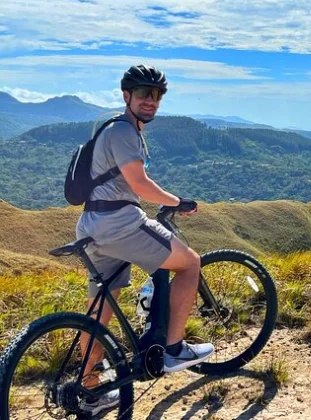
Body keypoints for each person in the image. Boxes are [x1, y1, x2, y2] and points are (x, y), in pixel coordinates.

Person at [75, 65, 213, 414]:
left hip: (91, 226)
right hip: (120, 223)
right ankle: (174, 350)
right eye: (143, 93)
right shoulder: (123, 131)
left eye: (156, 95)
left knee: (99, 311)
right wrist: (176, 202)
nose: (150, 100)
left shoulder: (113, 128)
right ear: (127, 96)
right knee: (190, 263)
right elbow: (139, 184)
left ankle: (89, 391)